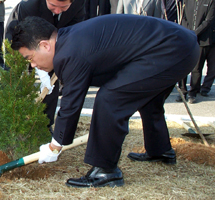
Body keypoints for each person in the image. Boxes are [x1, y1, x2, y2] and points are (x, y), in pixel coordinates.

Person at [11, 14, 199, 187]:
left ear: (45, 45)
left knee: (110, 99)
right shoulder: (69, 40)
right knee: (149, 100)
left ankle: (105, 171)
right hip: (179, 44)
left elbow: (71, 104)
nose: (33, 65)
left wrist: (55, 146)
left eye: (30, 58)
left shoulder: (69, 53)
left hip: (171, 49)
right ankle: (160, 150)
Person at [5, 0, 86, 132]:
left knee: (52, 76)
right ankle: (10, 118)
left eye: (63, 7)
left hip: (57, 32)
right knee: (14, 72)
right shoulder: (29, 4)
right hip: (22, 31)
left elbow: (76, 27)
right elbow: (28, 40)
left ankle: (45, 123)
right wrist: (38, 67)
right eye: (53, 6)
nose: (57, 11)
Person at [178, 0, 215, 103]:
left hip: (203, 40)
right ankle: (183, 91)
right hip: (188, 38)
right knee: (183, 65)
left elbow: (208, 21)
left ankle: (193, 93)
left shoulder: (211, 0)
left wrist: (195, 33)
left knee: (197, 68)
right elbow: (184, 19)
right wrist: (187, 33)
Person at [200, 0, 215, 96]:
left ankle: (206, 88)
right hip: (204, 36)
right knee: (197, 66)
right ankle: (195, 87)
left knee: (213, 67)